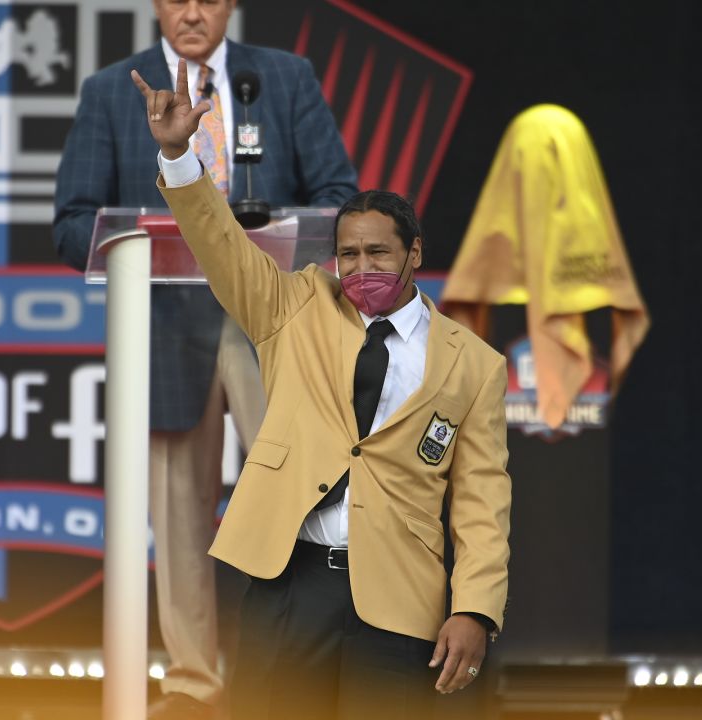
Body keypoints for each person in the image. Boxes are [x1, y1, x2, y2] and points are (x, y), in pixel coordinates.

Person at [132, 60, 512, 720]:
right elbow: (221, 246)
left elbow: (482, 502)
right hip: (291, 581)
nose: (361, 268)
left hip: (399, 591)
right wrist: (178, 154)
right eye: (350, 255)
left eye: (379, 254)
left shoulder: (472, 365)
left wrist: (475, 606)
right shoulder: (294, 308)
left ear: (414, 254)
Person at [53, 2, 357, 718]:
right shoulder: (111, 90)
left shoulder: (281, 79)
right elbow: (72, 225)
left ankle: (303, 674)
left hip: (273, 324)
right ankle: (192, 689)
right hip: (161, 328)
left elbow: (340, 197)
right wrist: (154, 234)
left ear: (231, 5)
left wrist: (279, 233)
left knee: (306, 505)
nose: (192, 12)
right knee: (178, 523)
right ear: (157, 5)